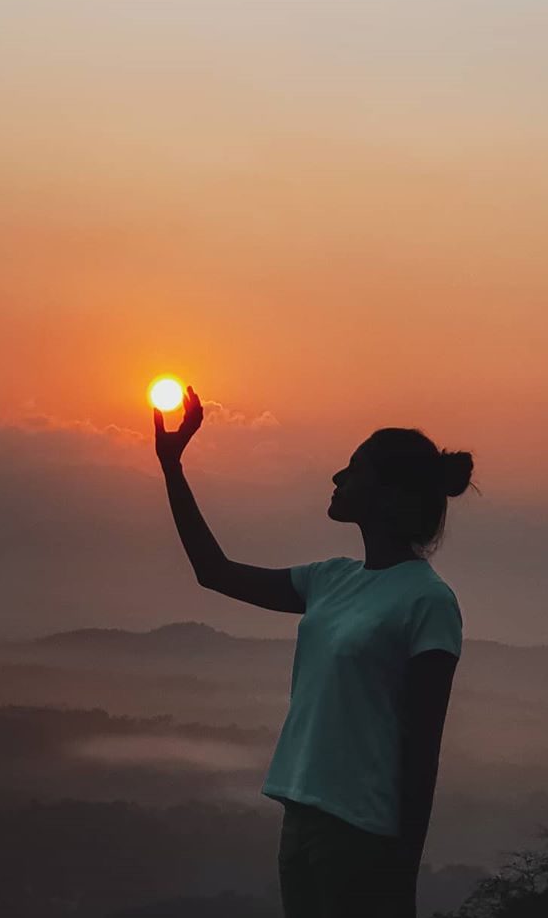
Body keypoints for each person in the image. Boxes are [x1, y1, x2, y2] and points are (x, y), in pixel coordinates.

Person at [154, 385, 472, 918]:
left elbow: (423, 749)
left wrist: (403, 876)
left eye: (354, 469)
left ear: (389, 495)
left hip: (363, 834)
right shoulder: (330, 579)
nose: (338, 478)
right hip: (301, 815)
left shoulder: (428, 601)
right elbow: (214, 572)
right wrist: (172, 468)